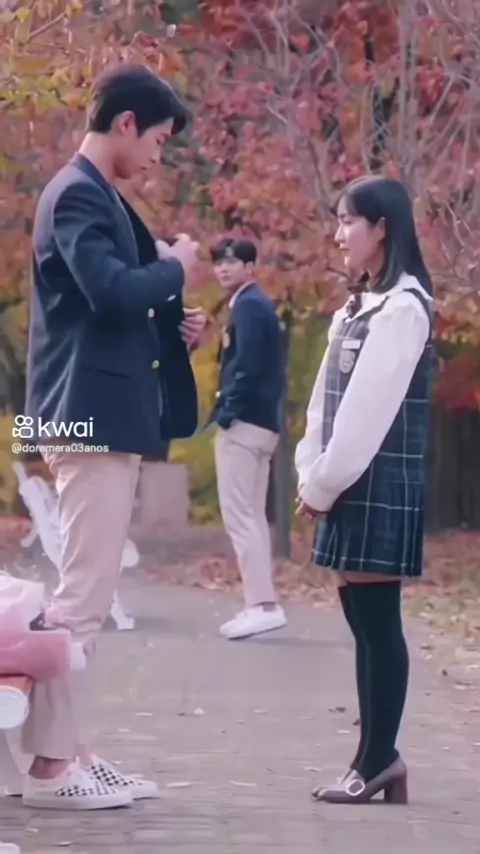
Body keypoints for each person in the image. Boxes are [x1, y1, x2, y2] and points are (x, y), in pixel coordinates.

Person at [22, 63, 205, 810]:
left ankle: (67, 751)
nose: (158, 156)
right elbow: (108, 289)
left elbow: (106, 308)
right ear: (126, 123)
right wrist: (174, 269)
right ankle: (51, 768)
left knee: (85, 594)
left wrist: (172, 329)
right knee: (81, 600)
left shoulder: (95, 197)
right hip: (86, 417)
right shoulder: (77, 194)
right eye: (158, 139)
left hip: (95, 412)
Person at [295, 175, 435, 805]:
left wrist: (324, 483)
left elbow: (366, 413)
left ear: (382, 228)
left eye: (349, 220)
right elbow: (322, 407)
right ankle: (372, 757)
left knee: (378, 623)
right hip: (346, 476)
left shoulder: (404, 309)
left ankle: (379, 758)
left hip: (376, 479)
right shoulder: (358, 307)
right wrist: (311, 472)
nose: (339, 233)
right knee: (363, 621)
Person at [208, 238, 287, 640]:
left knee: (240, 517)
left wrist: (228, 411)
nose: (223, 269)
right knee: (252, 517)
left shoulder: (250, 306)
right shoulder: (253, 304)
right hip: (262, 422)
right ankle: (262, 603)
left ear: (251, 266)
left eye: (232, 261)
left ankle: (261, 606)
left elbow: (249, 366)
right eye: (218, 263)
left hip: (245, 424)